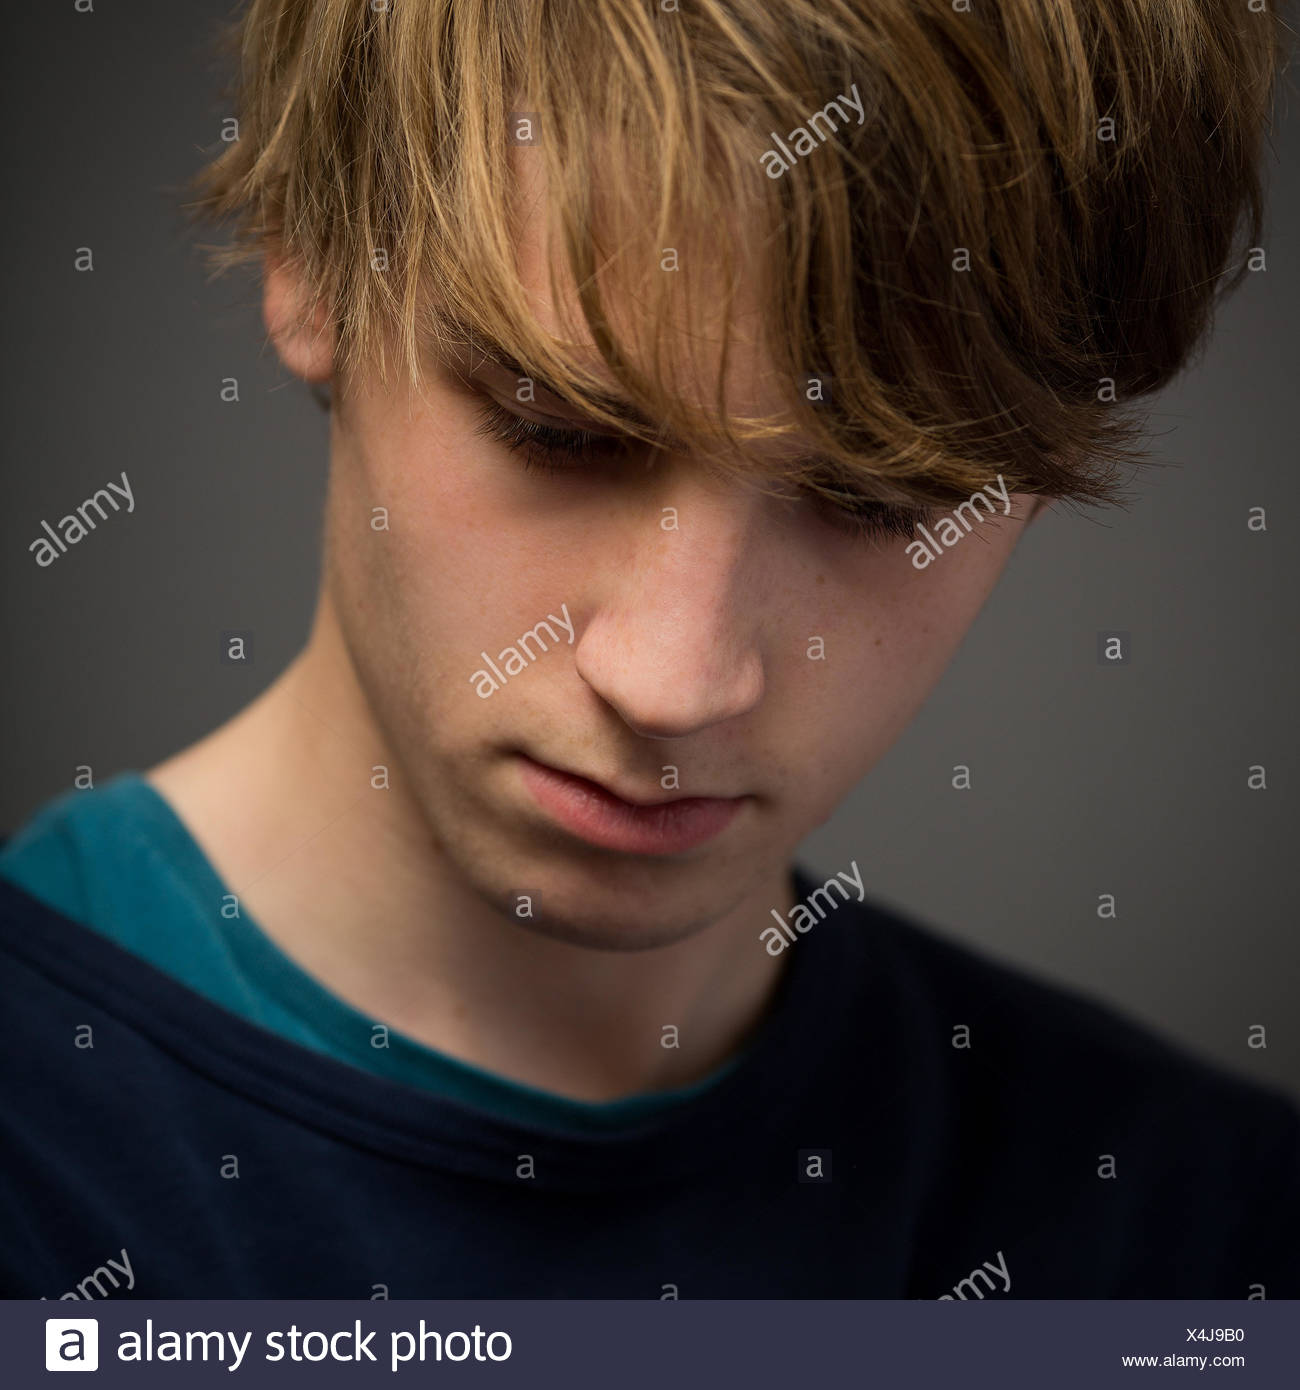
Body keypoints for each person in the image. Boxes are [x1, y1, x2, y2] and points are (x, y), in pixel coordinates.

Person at [2, 0, 1295, 1299]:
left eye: (884, 498)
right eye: (560, 430)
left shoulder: (1208, 1237)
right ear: (316, 253)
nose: (674, 682)